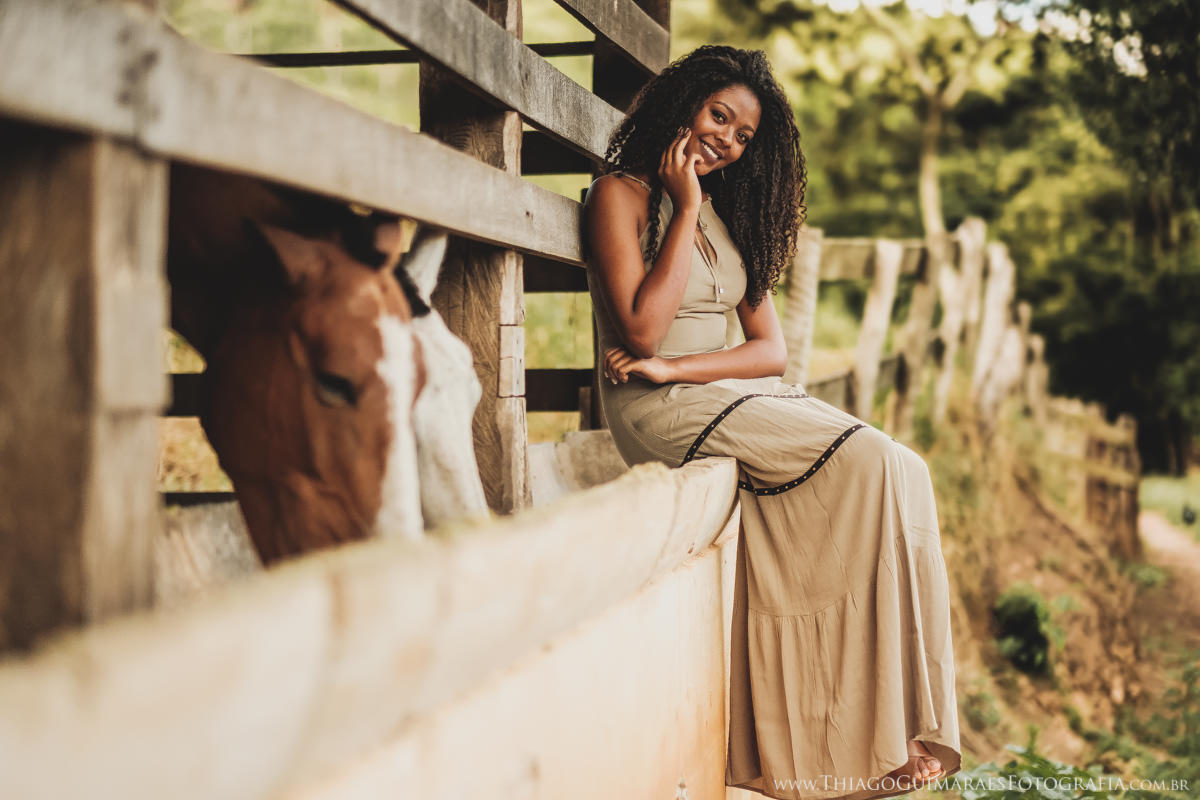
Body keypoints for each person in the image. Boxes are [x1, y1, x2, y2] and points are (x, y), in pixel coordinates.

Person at [582, 46, 962, 800]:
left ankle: (893, 731)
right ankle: (876, 746)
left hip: (696, 391)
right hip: (650, 412)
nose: (727, 139)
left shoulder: (729, 217)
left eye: (744, 134)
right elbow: (643, 335)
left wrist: (679, 368)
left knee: (903, 466)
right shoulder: (618, 198)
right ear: (684, 103)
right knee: (870, 462)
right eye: (719, 115)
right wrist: (683, 204)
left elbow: (769, 351)